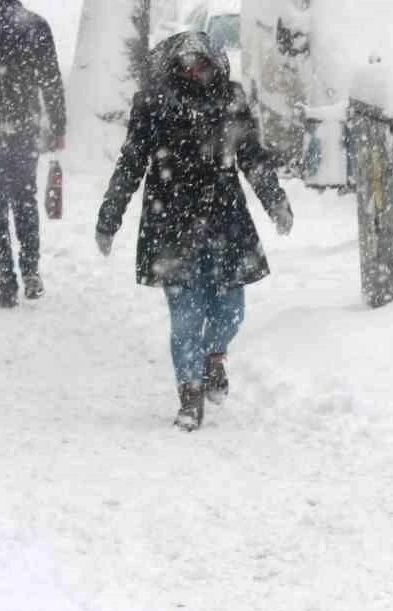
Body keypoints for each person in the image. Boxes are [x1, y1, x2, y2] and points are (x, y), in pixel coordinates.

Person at [96, 32, 292, 432]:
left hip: (226, 219)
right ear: (174, 67)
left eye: (200, 63)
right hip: (169, 222)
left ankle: (214, 357)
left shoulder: (231, 99)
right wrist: (109, 216)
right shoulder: (153, 104)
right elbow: (132, 161)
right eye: (186, 65)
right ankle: (189, 391)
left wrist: (276, 201)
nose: (194, 71)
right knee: (185, 315)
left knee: (231, 310)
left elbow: (252, 156)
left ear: (215, 63)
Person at [0, 0, 65, 307]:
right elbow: (51, 79)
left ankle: (6, 281)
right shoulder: (34, 25)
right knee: (24, 199)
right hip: (22, 125)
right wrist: (58, 125)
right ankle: (31, 269)